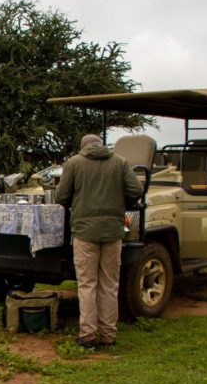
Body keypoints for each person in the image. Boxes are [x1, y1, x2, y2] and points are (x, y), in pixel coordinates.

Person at [56, 134, 143, 347]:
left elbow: (61, 197)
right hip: (114, 232)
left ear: (83, 147)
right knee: (110, 284)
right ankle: (108, 334)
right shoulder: (120, 162)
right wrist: (123, 203)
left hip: (85, 233)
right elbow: (136, 190)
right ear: (101, 145)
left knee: (87, 284)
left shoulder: (74, 163)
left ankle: (87, 334)